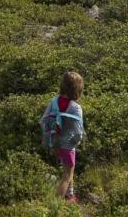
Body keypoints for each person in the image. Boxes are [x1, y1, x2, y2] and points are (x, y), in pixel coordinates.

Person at [40, 71, 85, 202]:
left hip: (55, 142)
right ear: (77, 88)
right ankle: (55, 204)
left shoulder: (54, 101)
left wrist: (50, 136)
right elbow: (78, 132)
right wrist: (76, 142)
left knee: (69, 168)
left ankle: (70, 195)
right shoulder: (76, 107)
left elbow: (43, 121)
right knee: (67, 174)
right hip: (68, 145)